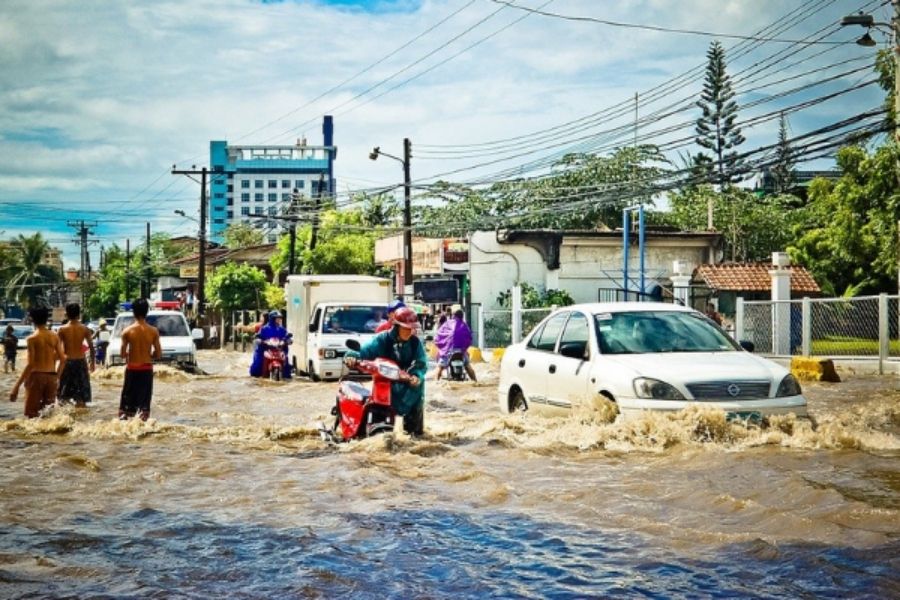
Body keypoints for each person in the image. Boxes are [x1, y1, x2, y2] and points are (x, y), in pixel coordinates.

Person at [344, 306, 428, 436]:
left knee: (416, 434)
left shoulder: (415, 343)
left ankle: (415, 433)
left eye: (411, 329)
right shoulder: (382, 340)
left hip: (408, 383)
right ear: (397, 326)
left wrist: (417, 376)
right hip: (386, 382)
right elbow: (363, 352)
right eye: (406, 328)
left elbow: (421, 363)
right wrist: (352, 356)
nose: (409, 332)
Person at [9, 306, 66, 418]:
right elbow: (63, 359)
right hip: (51, 377)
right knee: (48, 414)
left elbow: (31, 364)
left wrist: (16, 386)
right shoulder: (54, 336)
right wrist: (57, 377)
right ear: (46, 319)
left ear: (32, 320)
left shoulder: (32, 338)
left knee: (31, 414)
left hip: (36, 377)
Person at [118, 298, 162, 421]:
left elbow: (122, 354)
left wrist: (131, 354)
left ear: (133, 312)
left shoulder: (127, 331)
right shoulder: (153, 331)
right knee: (144, 408)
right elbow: (158, 354)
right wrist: (149, 355)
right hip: (146, 369)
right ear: (147, 312)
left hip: (132, 369)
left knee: (126, 409)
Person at [57, 303, 95, 407]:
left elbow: (57, 349)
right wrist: (93, 364)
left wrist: (57, 366)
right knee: (81, 398)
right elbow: (91, 348)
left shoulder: (62, 329)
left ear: (67, 314)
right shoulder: (84, 329)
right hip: (80, 362)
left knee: (63, 397)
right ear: (79, 314)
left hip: (67, 363)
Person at [433, 308, 477, 382]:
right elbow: (469, 338)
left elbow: (438, 336)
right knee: (467, 366)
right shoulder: (464, 325)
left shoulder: (447, 324)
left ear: (453, 315)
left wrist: (440, 345)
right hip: (461, 352)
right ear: (462, 316)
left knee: (440, 367)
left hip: (447, 352)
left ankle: (435, 382)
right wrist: (464, 348)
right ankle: (475, 381)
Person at [249, 310, 292, 379]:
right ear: (272, 318)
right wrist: (260, 340)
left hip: (279, 349)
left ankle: (286, 375)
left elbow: (286, 336)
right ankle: (257, 375)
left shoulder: (282, 329)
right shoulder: (264, 328)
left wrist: (288, 340)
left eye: (279, 318)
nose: (279, 320)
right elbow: (258, 336)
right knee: (258, 363)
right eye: (277, 318)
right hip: (266, 349)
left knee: (286, 362)